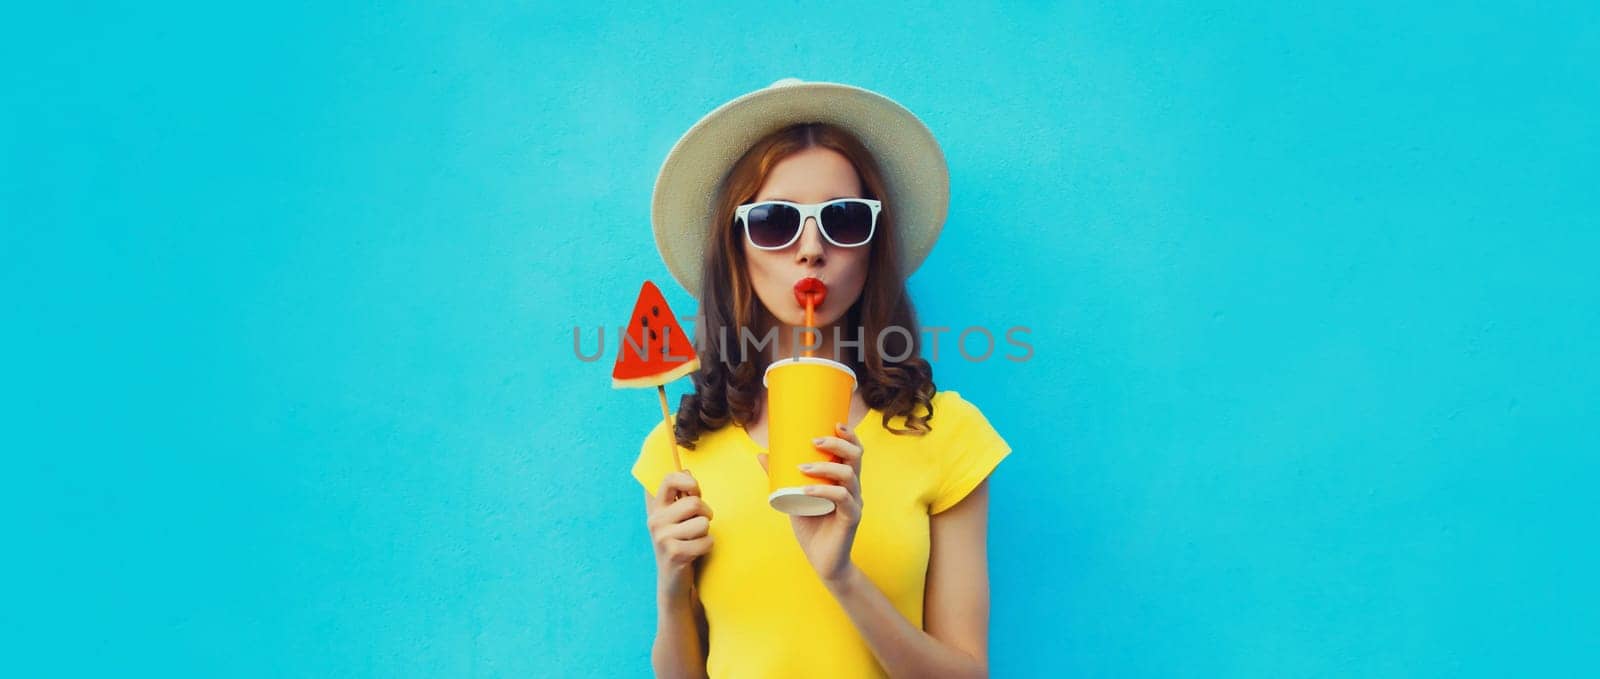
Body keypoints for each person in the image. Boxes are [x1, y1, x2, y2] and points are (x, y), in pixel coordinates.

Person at [631, 78, 1012, 678]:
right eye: (777, 222)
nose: (811, 249)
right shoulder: (679, 449)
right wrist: (672, 589)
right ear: (738, 245)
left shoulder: (946, 434)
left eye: (843, 218)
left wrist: (841, 577)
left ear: (872, 244)